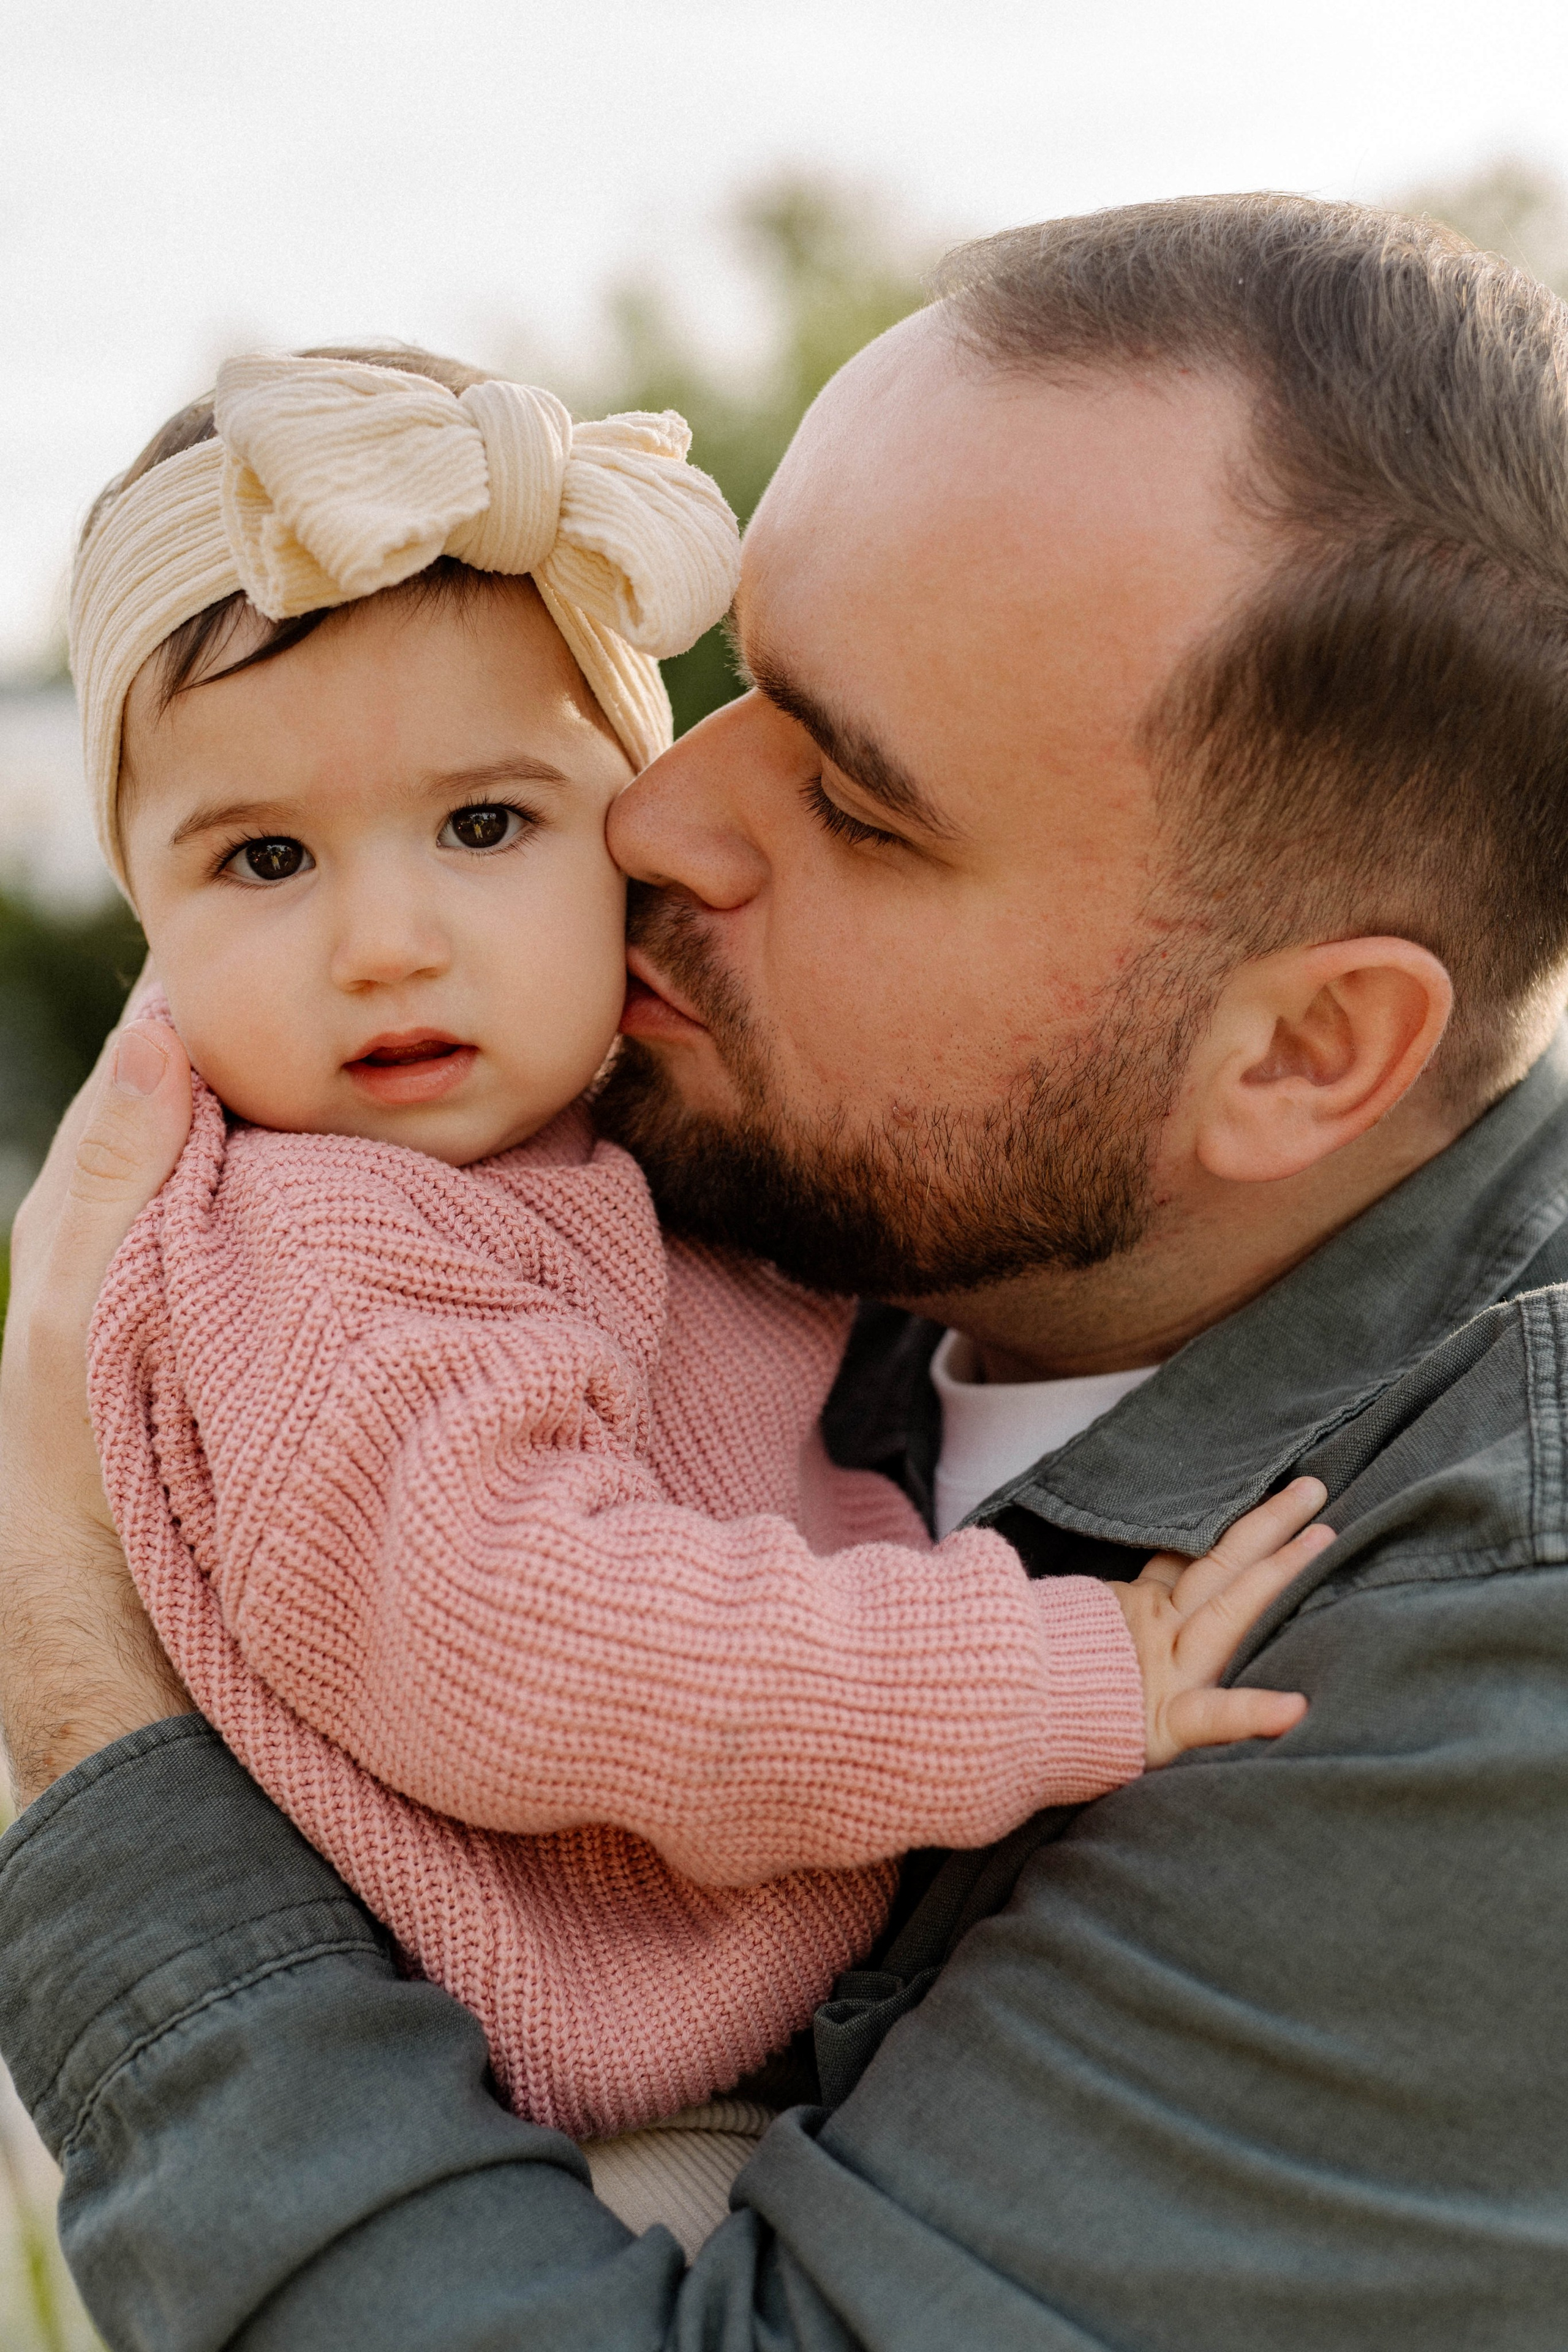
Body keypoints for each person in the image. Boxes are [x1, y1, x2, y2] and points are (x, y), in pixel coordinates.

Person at [6, 188, 1568, 2349]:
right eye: (730, 686)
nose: (651, 824)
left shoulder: (1492, 1658)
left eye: (852, 799)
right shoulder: (793, 1197)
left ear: (1302, 1051)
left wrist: (82, 1713)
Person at [77, 343, 1316, 2227]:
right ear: (146, 916)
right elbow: (541, 1645)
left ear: (626, 816)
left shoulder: (586, 1149)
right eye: (264, 858)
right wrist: (1055, 1673)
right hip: (569, 2120)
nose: (389, 943)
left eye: (486, 826)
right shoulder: (328, 1248)